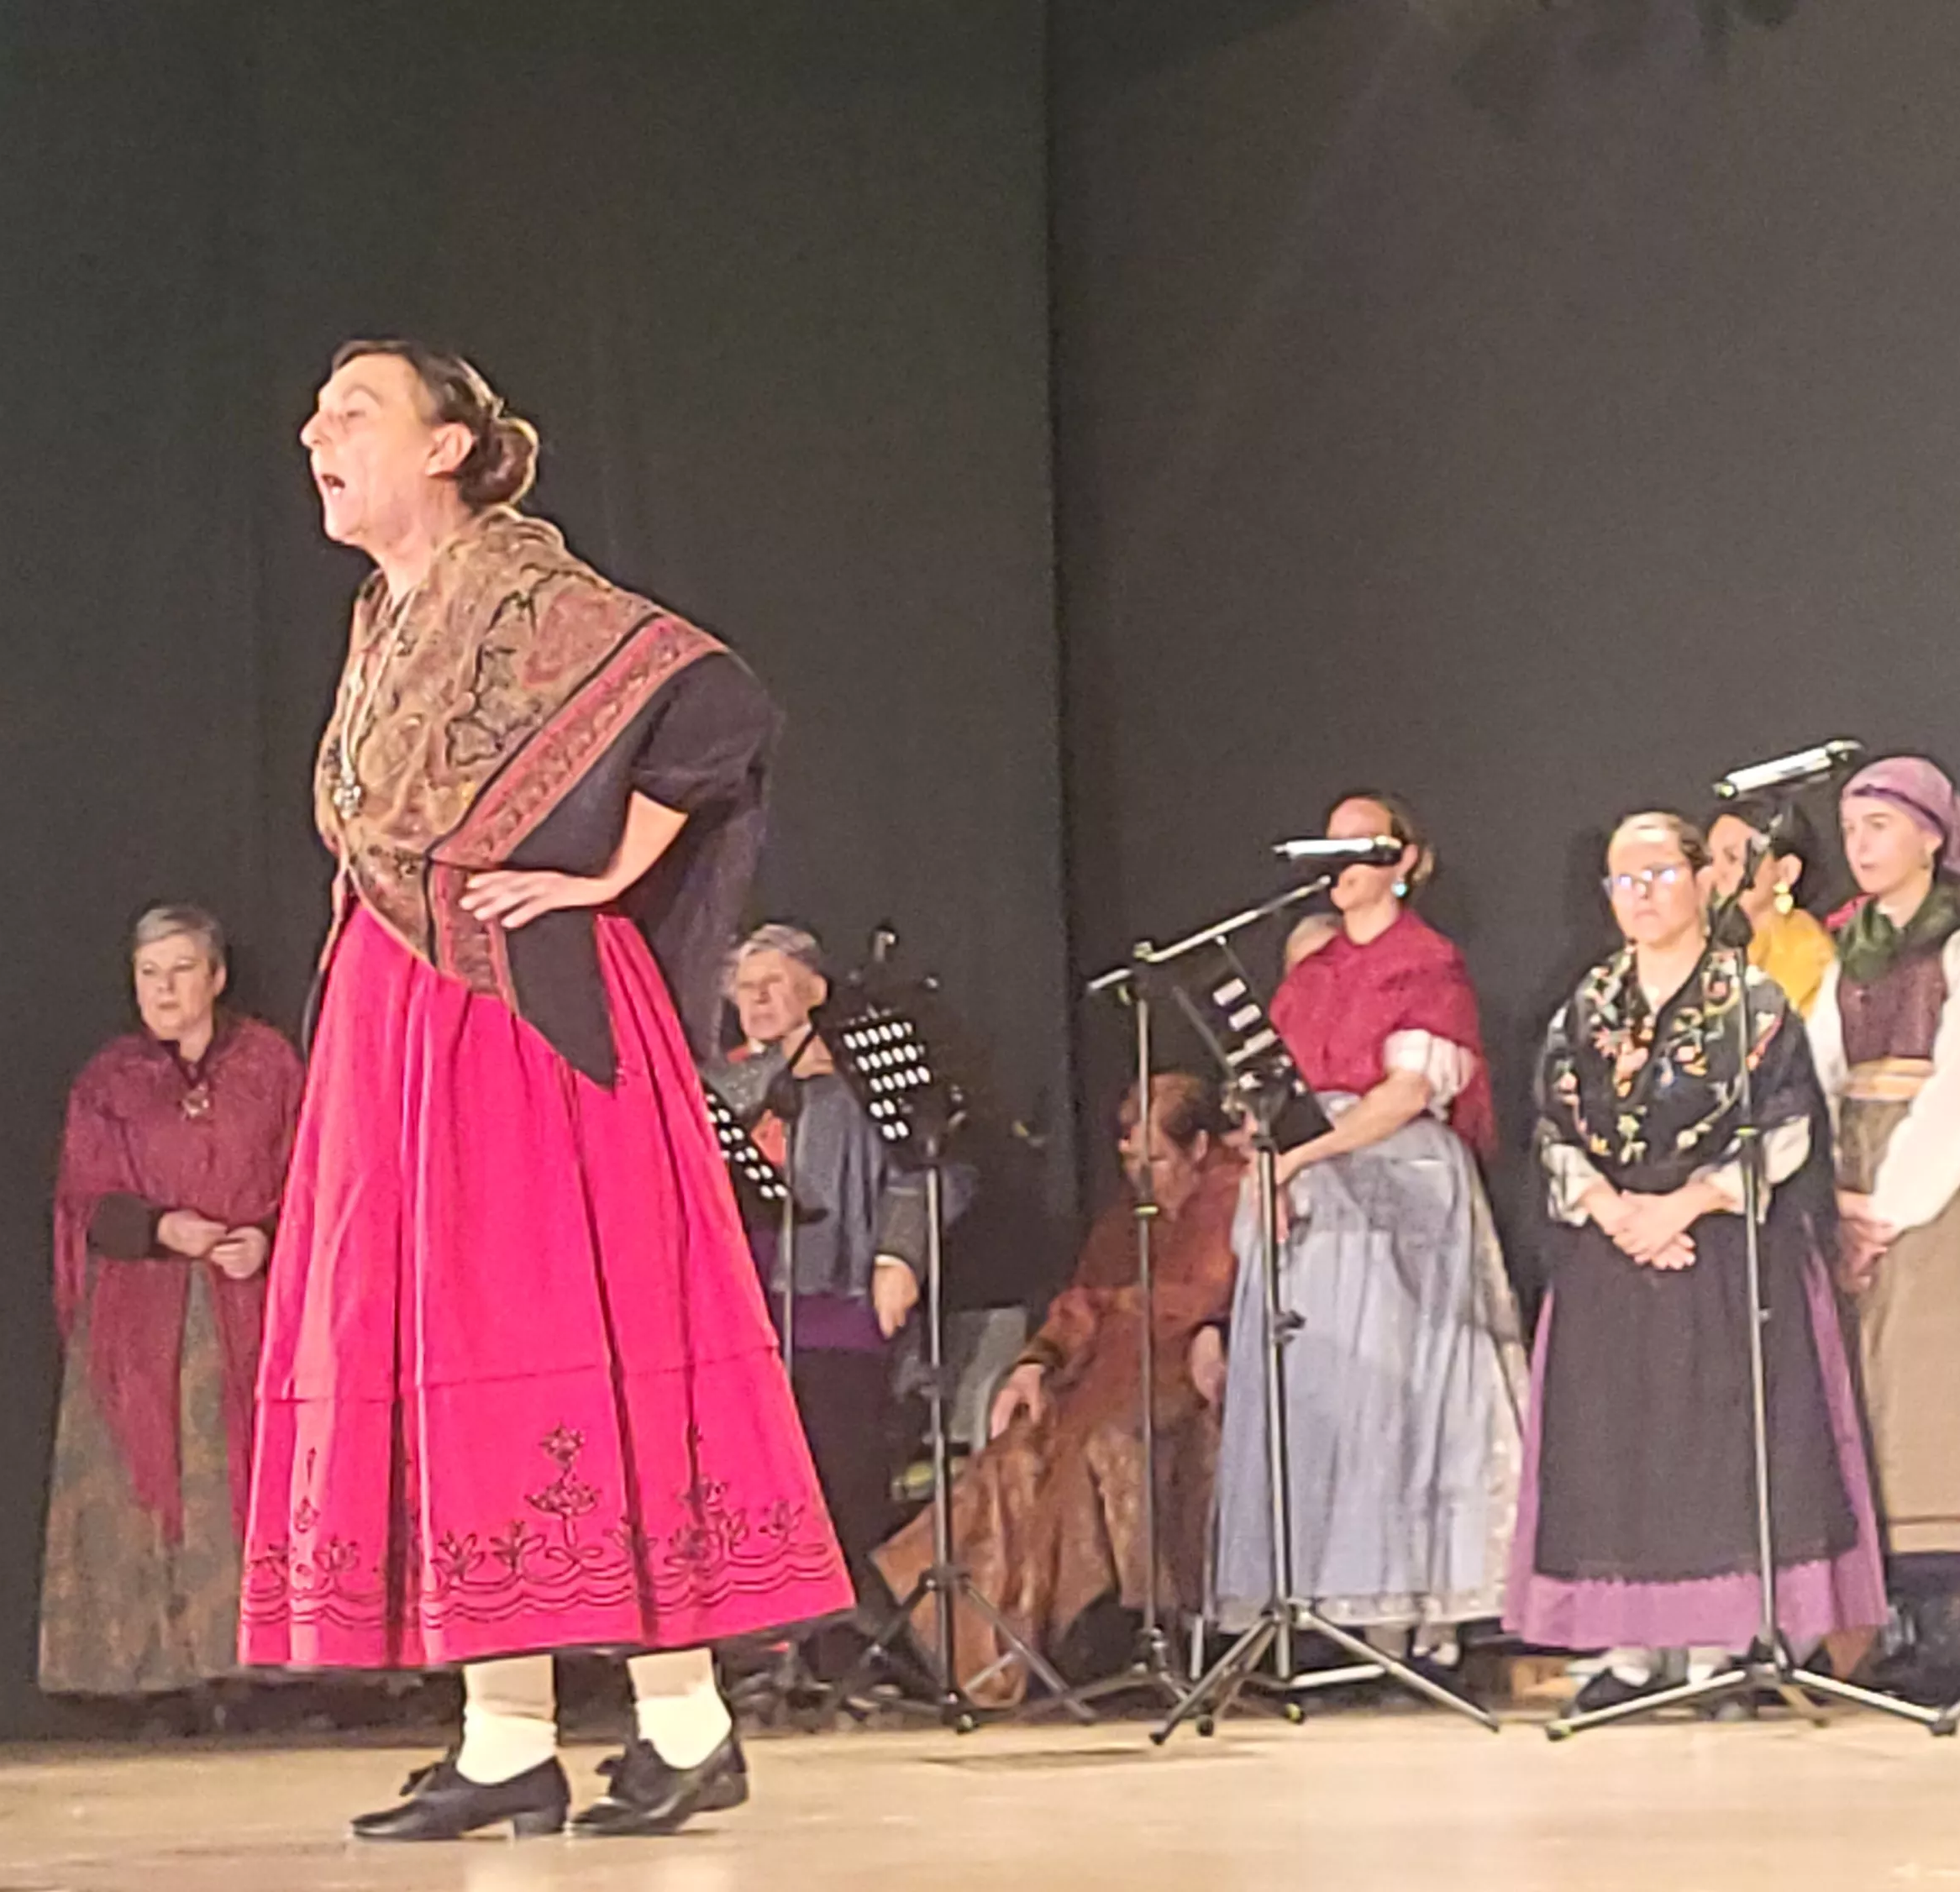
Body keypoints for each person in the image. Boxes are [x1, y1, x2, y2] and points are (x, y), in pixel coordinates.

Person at [243, 341, 847, 1840]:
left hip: (525, 1012)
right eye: (317, 415)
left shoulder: (522, 590)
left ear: (449, 446)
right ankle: (505, 1731)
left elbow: (718, 706)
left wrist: (608, 867)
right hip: (407, 1004)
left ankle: (684, 1718)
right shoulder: (386, 615)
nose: (319, 433)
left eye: (355, 411)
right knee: (450, 1348)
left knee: (573, 1333)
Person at [1508, 814, 1887, 1712]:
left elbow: (1789, 1126)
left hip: (1722, 1249)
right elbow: (1553, 1129)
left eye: (1657, 873)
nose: (1639, 895)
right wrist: (1613, 1210)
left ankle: (1724, 1646)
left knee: (1722, 1449)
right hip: (1612, 1253)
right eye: (1621, 880)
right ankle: (1628, 1650)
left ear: (1701, 882)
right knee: (1616, 1447)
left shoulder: (1751, 1003)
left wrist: (1684, 1204)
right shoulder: (1586, 1007)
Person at [1213, 792, 1526, 1668]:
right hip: (1308, 1188)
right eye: (1331, 845)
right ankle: (1318, 1610)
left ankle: (1405, 1616)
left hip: (1392, 1186)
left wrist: (1302, 1154)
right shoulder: (1309, 972)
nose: (1341, 860)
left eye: (1362, 844)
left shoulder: (1426, 961)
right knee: (1315, 1395)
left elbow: (1404, 1091)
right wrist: (1263, 1160)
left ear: (1404, 859)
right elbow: (1261, 1085)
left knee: (1396, 1392)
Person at [871, 1071, 1242, 1705]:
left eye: (1154, 1158)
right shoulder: (1127, 1216)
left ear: (1199, 1147)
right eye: (1129, 1158)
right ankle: (924, 1624)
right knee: (1012, 1457)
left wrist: (1154, 1315)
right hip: (1102, 1373)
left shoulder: (1232, 1196)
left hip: (1185, 1375)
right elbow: (1080, 1301)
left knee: (1099, 1449)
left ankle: (1089, 1635)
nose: (1139, 1173)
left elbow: (1205, 1296)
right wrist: (1035, 1362)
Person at [41, 904, 302, 1710]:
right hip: (142, 1318)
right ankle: (157, 1680)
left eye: (181, 970)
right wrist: (162, 1226)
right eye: (149, 974)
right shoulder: (111, 1081)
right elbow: (82, 1198)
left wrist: (265, 1234)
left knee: (248, 1481)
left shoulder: (268, 1064)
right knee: (147, 1493)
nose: (163, 989)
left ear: (216, 977)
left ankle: (269, 1677)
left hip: (248, 1308)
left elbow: (312, 1170)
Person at [1808, 756, 1960, 1700]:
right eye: (1851, 830)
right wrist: (1827, 1194)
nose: (1861, 846)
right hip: (1850, 1165)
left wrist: (1888, 1204)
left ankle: (1950, 1626)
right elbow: (1810, 1064)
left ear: (1931, 834)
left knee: (1931, 1382)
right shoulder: (1847, 947)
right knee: (1865, 1393)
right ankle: (1884, 1614)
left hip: (1930, 1178)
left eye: (1879, 826)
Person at [706, 924, 922, 1581]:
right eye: (745, 989)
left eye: (774, 984)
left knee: (839, 1471)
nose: (758, 999)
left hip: (837, 1296)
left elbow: (932, 1169)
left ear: (817, 991)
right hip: (741, 1301)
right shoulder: (727, 1084)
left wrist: (899, 1255)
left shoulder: (864, 1080)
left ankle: (844, 1638)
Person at [1707, 804, 1836, 1017]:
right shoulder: (1704, 943)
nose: (1713, 874)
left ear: (1786, 872)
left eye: (1732, 858)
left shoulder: (1809, 955)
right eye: (1710, 859)